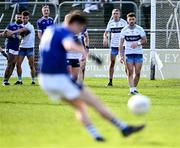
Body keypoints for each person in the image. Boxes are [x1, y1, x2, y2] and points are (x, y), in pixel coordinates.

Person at [38, 10, 145, 142]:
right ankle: (123, 127)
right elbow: (69, 44)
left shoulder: (51, 29)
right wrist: (89, 54)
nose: (78, 31)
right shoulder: (64, 32)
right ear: (74, 23)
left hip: (44, 80)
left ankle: (96, 135)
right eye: (79, 27)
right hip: (58, 78)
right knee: (94, 101)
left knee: (80, 106)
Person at [119, 12, 147, 95]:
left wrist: (138, 43)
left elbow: (145, 40)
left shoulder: (140, 29)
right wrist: (121, 55)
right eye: (130, 19)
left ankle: (134, 88)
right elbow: (120, 43)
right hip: (128, 54)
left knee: (137, 72)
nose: (131, 21)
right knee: (130, 71)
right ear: (127, 20)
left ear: (135, 20)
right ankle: (131, 90)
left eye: (133, 19)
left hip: (138, 53)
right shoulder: (124, 30)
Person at [9, 11, 36, 85]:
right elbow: (20, 36)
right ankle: (20, 80)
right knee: (18, 64)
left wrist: (13, 32)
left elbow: (22, 30)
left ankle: (33, 80)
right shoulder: (20, 25)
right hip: (22, 47)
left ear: (28, 18)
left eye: (26, 18)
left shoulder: (30, 26)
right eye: (23, 18)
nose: (25, 19)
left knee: (31, 65)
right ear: (22, 17)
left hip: (30, 47)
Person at [103, 9, 127, 86]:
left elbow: (127, 32)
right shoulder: (110, 23)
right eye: (114, 13)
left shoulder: (123, 22)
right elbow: (106, 33)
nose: (115, 15)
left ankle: (129, 80)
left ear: (119, 15)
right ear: (112, 15)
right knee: (112, 63)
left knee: (126, 63)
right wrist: (105, 38)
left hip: (123, 46)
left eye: (117, 13)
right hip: (113, 46)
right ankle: (110, 81)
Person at [1, 13, 23, 86]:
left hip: (16, 48)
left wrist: (20, 37)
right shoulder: (10, 25)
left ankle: (7, 80)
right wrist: (9, 34)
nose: (19, 18)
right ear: (15, 18)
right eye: (18, 17)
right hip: (10, 46)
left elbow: (22, 36)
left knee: (13, 65)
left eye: (20, 17)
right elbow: (4, 34)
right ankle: (4, 81)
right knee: (9, 63)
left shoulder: (22, 27)